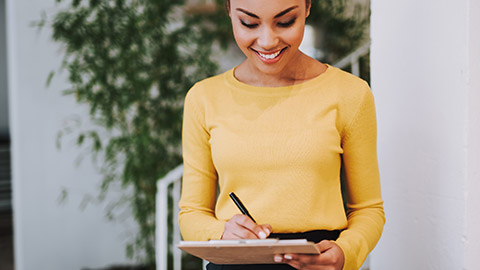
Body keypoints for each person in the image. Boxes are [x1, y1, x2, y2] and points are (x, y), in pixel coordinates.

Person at [178, 0, 385, 269]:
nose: (267, 41)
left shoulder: (350, 94)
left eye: (285, 22)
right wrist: (222, 234)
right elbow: (192, 214)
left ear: (307, 6)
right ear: (229, 9)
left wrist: (345, 252)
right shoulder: (203, 98)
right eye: (249, 23)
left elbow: (369, 210)